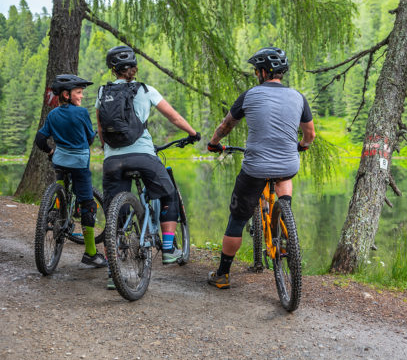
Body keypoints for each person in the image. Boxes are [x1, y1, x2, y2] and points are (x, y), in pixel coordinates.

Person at [206, 47, 316, 289]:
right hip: (288, 165)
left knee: (237, 219)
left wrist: (214, 144)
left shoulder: (250, 95)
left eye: (257, 70)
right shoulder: (298, 97)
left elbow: (226, 126)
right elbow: (310, 135)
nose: (256, 74)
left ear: (264, 72)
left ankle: (223, 274)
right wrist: (302, 146)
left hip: (255, 167)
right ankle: (285, 217)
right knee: (284, 175)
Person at [96, 46, 200, 279]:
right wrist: (193, 133)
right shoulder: (146, 90)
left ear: (113, 71)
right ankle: (167, 249)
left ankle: (114, 273)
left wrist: (108, 150)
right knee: (168, 193)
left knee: (115, 212)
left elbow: (101, 129)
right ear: (134, 68)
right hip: (142, 155)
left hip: (112, 160)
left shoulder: (103, 93)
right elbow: (174, 117)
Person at [34, 74, 107, 268]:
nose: (82, 97)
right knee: (88, 205)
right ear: (66, 94)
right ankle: (90, 253)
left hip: (59, 162)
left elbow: (40, 140)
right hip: (79, 165)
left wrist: (51, 151)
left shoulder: (52, 115)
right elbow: (90, 139)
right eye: (79, 93)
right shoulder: (81, 113)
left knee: (61, 180)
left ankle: (59, 207)